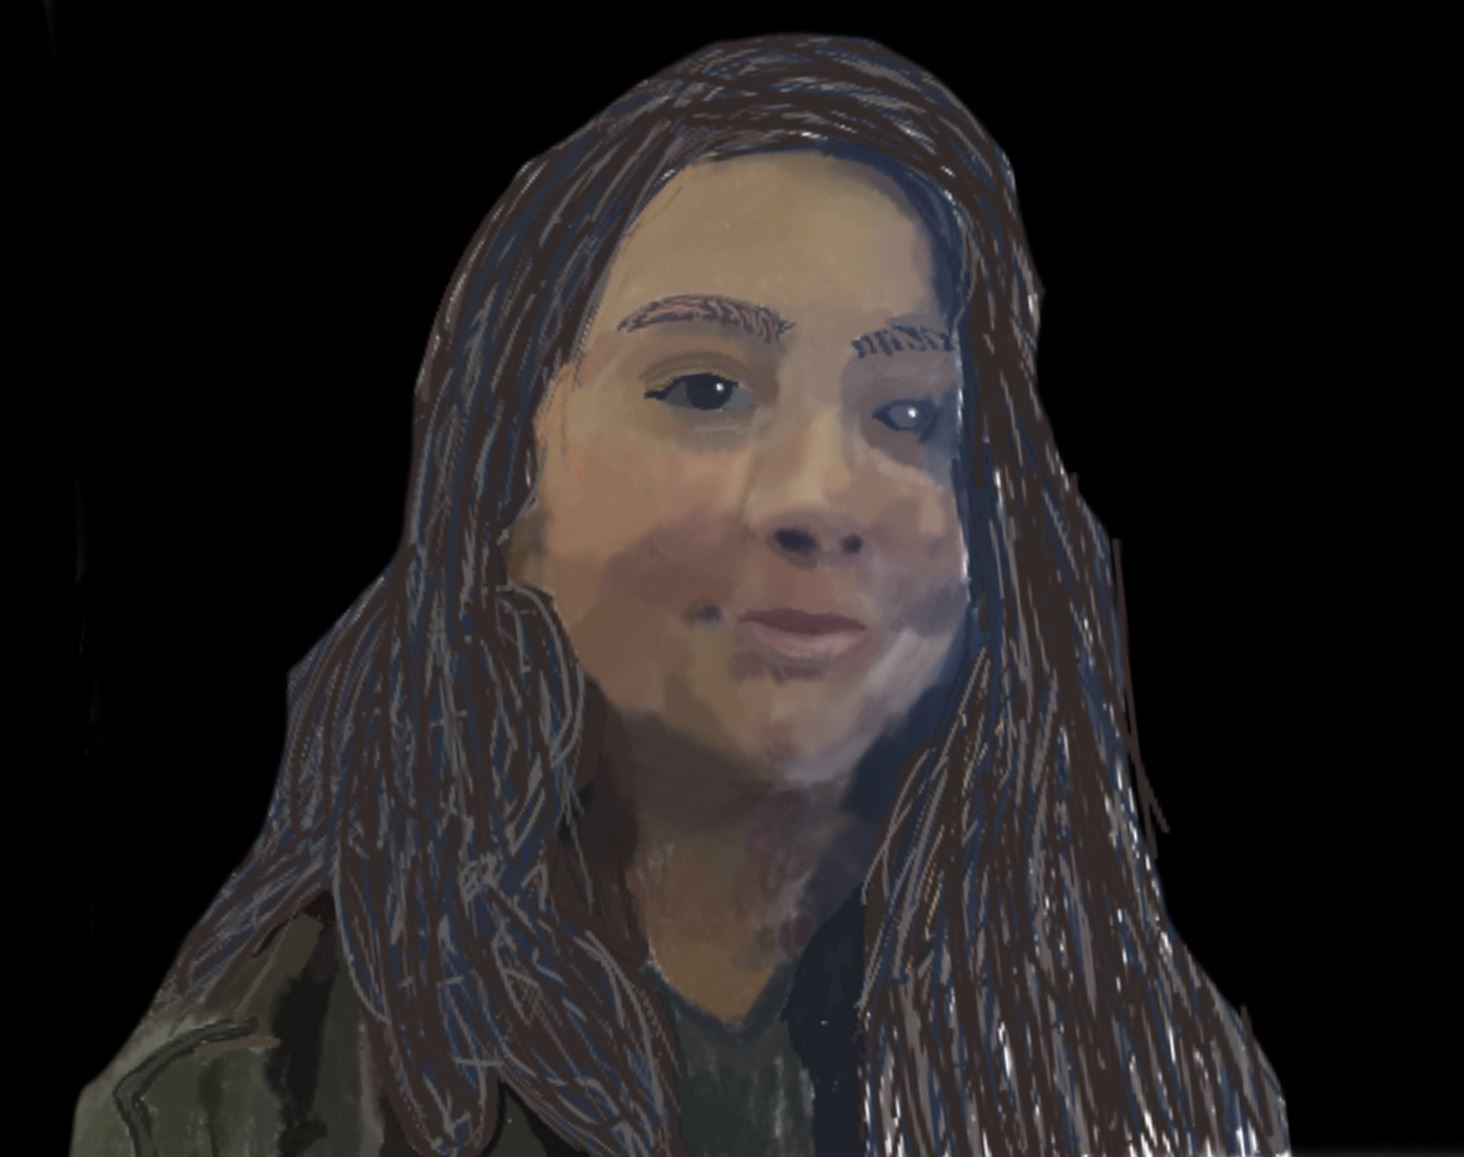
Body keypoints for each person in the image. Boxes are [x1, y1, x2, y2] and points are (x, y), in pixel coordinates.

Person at [70, 33, 1292, 1157]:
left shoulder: (1145, 1075)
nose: (821, 493)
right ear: (508, 483)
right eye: (705, 389)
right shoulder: (249, 1095)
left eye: (910, 412)